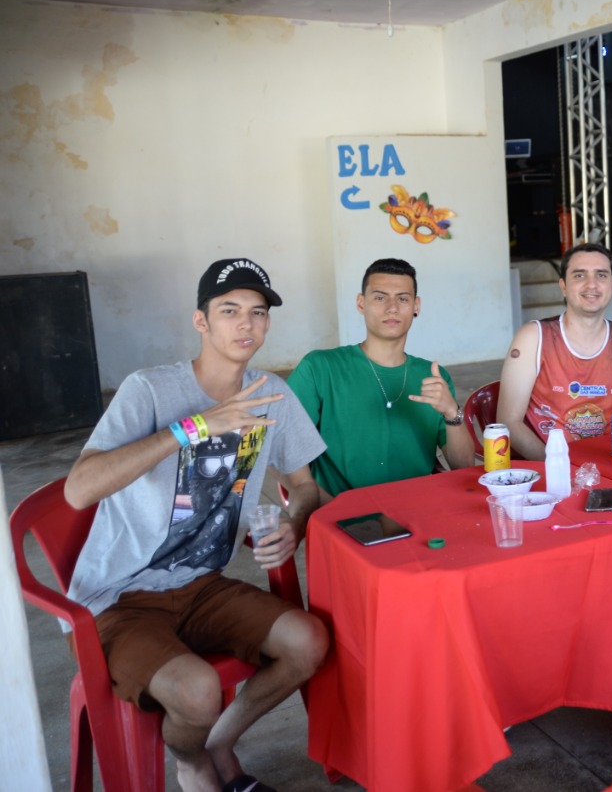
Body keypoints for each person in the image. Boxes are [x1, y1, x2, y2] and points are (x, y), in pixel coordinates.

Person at [63, 258, 330, 792]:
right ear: (201, 321)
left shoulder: (271, 393)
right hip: (116, 598)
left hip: (202, 585)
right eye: (229, 310)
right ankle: (192, 764)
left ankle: (220, 742)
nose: (246, 323)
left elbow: (305, 487)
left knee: (309, 642)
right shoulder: (149, 389)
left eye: (258, 312)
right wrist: (195, 427)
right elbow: (79, 488)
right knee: (197, 690)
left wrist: (294, 523)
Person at [288, 258, 474, 501]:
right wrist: (328, 508)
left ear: (416, 306)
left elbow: (464, 466)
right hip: (342, 512)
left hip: (417, 510)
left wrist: (451, 412)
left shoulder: (432, 375)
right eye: (379, 298)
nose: (392, 308)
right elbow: (282, 448)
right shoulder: (320, 368)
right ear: (361, 303)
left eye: (403, 299)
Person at [497, 243, 612, 461]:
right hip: (550, 466)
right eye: (579, 275)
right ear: (563, 286)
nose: (591, 284)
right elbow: (509, 422)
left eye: (601, 275)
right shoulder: (533, 337)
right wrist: (560, 467)